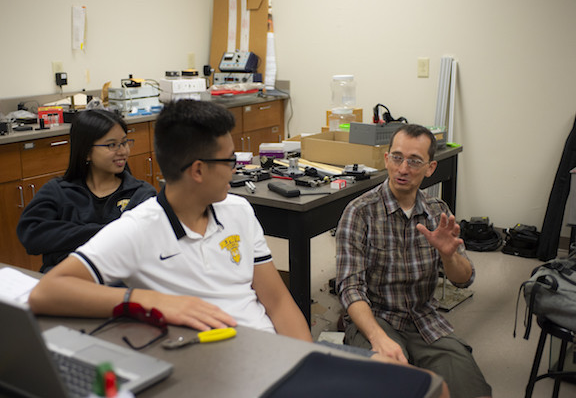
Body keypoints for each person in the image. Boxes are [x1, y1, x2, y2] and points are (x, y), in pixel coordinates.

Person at [28, 99, 313, 341]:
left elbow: (277, 302)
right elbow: (46, 292)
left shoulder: (239, 210)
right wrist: (149, 300)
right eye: (230, 162)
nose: (235, 171)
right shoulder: (138, 228)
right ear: (198, 171)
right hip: (214, 360)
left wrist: (307, 362)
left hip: (269, 349)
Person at [336, 124, 492, 398]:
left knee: (472, 391)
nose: (403, 168)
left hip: (425, 320)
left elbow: (465, 279)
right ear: (386, 160)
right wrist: (377, 338)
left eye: (414, 161)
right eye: (397, 157)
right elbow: (350, 288)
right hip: (376, 319)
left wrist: (448, 254)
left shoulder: (438, 212)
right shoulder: (359, 212)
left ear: (430, 168)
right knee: (399, 387)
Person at [17, 109, 157, 273]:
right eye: (111, 145)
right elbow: (31, 236)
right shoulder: (57, 191)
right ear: (86, 152)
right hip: (62, 283)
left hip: (118, 284)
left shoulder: (141, 194)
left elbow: (145, 244)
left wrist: (68, 237)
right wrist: (113, 231)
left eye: (124, 142)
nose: (122, 151)